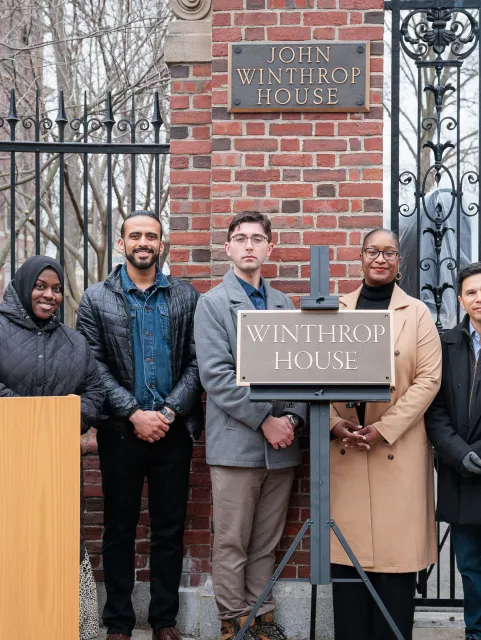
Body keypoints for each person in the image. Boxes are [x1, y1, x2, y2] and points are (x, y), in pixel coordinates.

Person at [76, 210, 204, 640]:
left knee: (169, 528)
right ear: (121, 243)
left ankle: (164, 620)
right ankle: (119, 622)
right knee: (119, 529)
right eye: (135, 236)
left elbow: (197, 360)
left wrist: (167, 413)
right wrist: (134, 412)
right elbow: (92, 365)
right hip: (120, 433)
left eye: (151, 235)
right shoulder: (96, 298)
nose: (143, 242)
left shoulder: (186, 296)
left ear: (162, 244)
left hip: (173, 432)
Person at [194, 211, 307, 640]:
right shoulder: (213, 304)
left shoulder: (283, 304)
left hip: (282, 447)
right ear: (228, 248)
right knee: (232, 542)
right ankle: (232, 620)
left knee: (265, 542)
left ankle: (261, 617)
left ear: (269, 248)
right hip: (237, 444)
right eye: (240, 238)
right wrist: (265, 421)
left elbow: (301, 370)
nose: (248, 246)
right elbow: (216, 377)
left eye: (257, 239)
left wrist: (292, 418)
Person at [329, 228, 442, 640]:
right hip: (346, 452)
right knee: (349, 566)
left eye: (389, 253)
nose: (380, 259)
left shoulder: (418, 314)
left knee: (395, 570)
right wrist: (332, 424)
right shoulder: (333, 309)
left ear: (399, 261)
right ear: (360, 257)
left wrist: (384, 428)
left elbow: (429, 380)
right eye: (372, 252)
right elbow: (307, 374)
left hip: (397, 451)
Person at [0, 255, 104, 640]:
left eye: (56, 289)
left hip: (58, 465)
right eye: (40, 286)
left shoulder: (74, 342)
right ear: (24, 287)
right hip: (6, 461)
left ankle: (63, 625)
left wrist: (69, 420)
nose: (49, 295)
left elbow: (94, 390)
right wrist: (28, 417)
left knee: (57, 543)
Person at [426, 262, 481, 640]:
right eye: (471, 292)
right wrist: (456, 452)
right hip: (459, 469)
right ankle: (478, 633)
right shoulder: (446, 344)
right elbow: (434, 408)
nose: (479, 298)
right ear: (460, 299)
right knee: (470, 565)